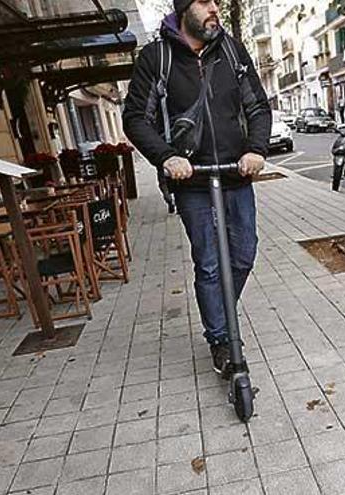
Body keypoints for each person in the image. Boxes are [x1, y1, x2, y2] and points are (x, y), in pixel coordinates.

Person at [123, 0, 271, 375]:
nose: (215, 8)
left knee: (244, 254)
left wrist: (255, 148)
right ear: (185, 9)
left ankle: (219, 312)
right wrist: (167, 157)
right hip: (192, 181)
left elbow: (258, 107)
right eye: (206, 2)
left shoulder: (232, 50)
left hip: (235, 174)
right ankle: (221, 338)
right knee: (208, 263)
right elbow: (136, 119)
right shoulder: (156, 58)